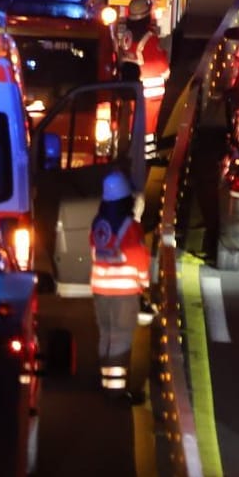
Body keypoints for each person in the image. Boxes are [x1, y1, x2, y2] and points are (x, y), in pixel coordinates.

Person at [90, 169, 150, 401]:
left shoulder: (99, 224)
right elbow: (139, 259)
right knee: (121, 338)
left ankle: (105, 383)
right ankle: (115, 392)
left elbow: (94, 250)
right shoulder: (130, 226)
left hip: (100, 290)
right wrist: (144, 285)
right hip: (124, 292)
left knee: (106, 334)